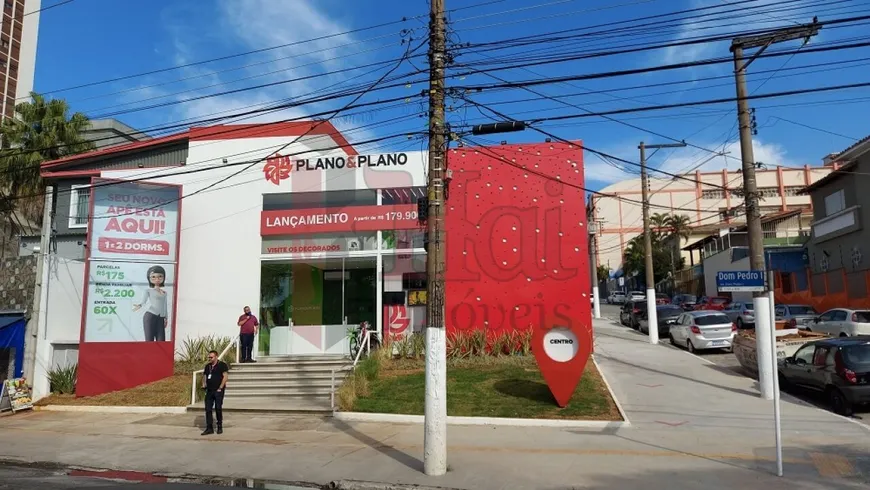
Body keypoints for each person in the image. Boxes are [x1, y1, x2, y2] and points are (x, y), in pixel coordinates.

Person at [133, 265, 168, 342]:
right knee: (149, 340)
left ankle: (159, 354)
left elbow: (165, 306)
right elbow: (143, 302)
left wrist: (166, 318)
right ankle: (148, 354)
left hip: (161, 317)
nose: (157, 279)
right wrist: (140, 305)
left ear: (163, 277)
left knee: (161, 340)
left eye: (160, 277)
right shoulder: (148, 290)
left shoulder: (164, 293)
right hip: (150, 316)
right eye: (153, 277)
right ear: (149, 278)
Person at [201, 350, 228, 435]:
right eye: (209, 357)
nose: (210, 359)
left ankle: (219, 426)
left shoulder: (222, 365)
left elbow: (225, 376)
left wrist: (220, 387)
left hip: (218, 390)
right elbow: (205, 376)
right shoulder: (207, 366)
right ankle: (209, 428)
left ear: (216, 357)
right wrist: (204, 384)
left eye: (211, 357)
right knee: (208, 409)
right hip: (209, 390)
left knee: (218, 408)